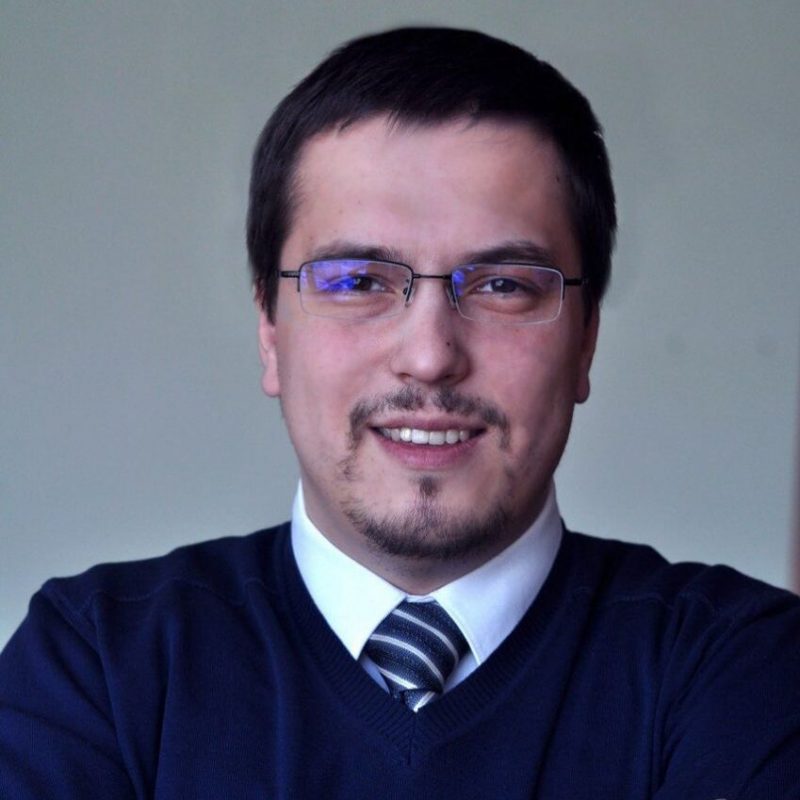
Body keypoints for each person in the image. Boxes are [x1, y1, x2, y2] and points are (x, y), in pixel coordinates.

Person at [1, 26, 798, 800]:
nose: (429, 355)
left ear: (586, 341)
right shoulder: (97, 664)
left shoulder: (742, 668)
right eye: (356, 281)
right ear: (269, 333)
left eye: (503, 285)